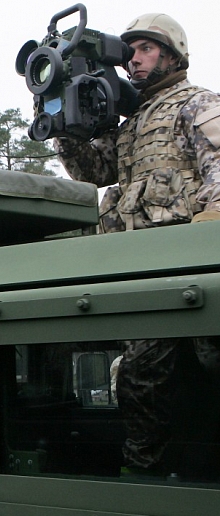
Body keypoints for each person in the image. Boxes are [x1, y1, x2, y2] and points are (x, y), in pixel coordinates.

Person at [55, 13, 220, 477]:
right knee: (142, 380)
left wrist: (208, 243)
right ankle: (151, 475)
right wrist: (60, 112)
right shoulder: (131, 125)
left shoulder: (195, 103)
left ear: (172, 54)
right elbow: (92, 170)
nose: (134, 58)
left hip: (188, 272)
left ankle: (152, 475)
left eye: (146, 48)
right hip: (137, 272)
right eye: (131, 51)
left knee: (173, 374)